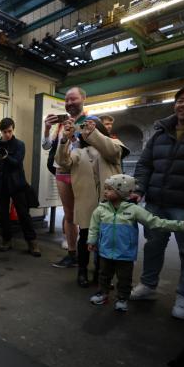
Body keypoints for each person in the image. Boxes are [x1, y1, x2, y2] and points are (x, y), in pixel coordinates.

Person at [129, 82, 184, 320]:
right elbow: (145, 164)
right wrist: (139, 189)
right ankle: (148, 285)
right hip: (156, 202)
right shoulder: (161, 131)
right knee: (153, 245)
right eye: (180, 100)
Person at [87, 174, 184, 312]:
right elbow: (94, 227)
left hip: (125, 253)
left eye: (109, 189)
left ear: (121, 192)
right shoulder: (101, 209)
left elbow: (155, 222)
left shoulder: (134, 210)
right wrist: (92, 240)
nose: (105, 192)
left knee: (124, 279)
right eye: (105, 188)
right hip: (105, 251)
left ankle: (122, 299)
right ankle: (103, 294)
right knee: (103, 275)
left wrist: (181, 225)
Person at [55, 115, 129, 288]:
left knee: (107, 242)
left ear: (100, 130)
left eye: (92, 127)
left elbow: (113, 152)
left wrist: (93, 133)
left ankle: (100, 274)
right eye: (85, 128)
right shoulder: (78, 151)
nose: (87, 130)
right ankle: (82, 271)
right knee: (85, 239)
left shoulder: (114, 145)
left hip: (109, 204)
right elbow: (62, 162)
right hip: (86, 203)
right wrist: (65, 139)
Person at [43, 87, 89, 269]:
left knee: (86, 214)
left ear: (83, 99)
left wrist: (74, 135)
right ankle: (72, 254)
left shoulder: (90, 121)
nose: (69, 103)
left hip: (82, 171)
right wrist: (47, 128)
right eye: (67, 100)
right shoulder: (62, 124)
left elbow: (91, 147)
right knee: (69, 215)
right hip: (62, 172)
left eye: (73, 99)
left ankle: (87, 251)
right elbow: (47, 146)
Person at [0, 117, 40, 256]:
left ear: (13, 129)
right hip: (1, 184)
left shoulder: (19, 145)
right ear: (1, 132)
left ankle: (32, 242)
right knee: (2, 215)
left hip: (17, 184)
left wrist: (5, 157)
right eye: (4, 132)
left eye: (9, 131)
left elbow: (17, 163)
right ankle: (6, 240)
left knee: (23, 214)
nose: (7, 134)